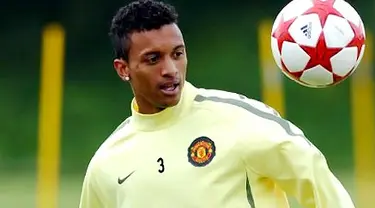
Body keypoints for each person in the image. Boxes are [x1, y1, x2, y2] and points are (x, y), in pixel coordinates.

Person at [78, 0, 355, 207]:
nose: (171, 69)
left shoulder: (242, 121)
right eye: (153, 59)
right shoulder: (106, 164)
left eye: (177, 54)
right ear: (123, 69)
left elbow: (321, 186)